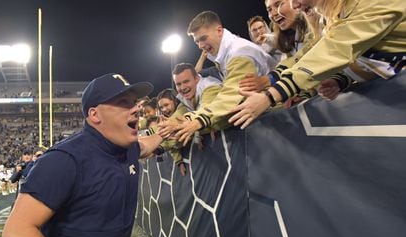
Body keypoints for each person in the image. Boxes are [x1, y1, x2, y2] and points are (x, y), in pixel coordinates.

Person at [2, 73, 165, 237]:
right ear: (95, 115)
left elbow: (146, 145)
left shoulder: (127, 148)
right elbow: (16, 233)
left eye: (134, 102)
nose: (136, 108)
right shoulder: (64, 160)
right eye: (123, 102)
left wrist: (168, 130)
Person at [228, 0, 406, 129]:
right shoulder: (331, 17)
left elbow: (334, 50)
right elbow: (364, 55)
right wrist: (340, 79)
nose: (295, 5)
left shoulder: (372, 3)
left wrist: (271, 95)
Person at [171, 10, 276, 144]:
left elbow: (232, 94)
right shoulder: (223, 53)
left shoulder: (239, 52)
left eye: (203, 38)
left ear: (219, 30)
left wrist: (199, 121)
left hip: (278, 111)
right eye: (197, 41)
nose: (201, 46)